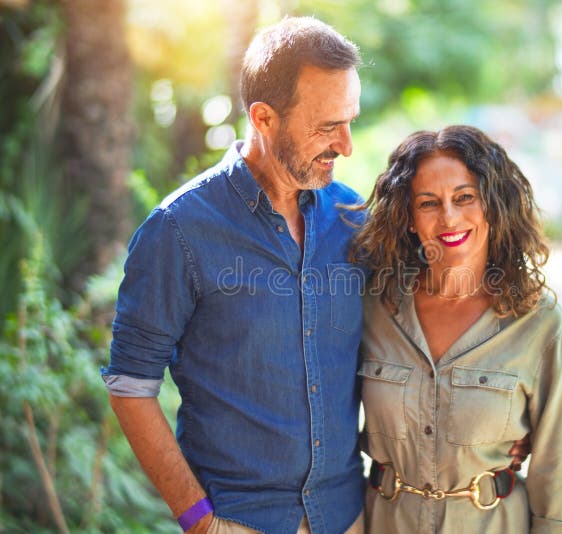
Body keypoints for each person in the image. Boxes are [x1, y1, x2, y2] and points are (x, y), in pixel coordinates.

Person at [101, 17, 367, 534]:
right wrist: (200, 521)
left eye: (351, 120)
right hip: (239, 521)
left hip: (347, 517)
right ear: (263, 118)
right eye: (326, 126)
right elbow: (131, 387)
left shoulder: (354, 219)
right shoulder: (178, 231)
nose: (347, 145)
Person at [351, 125, 562, 532]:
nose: (449, 218)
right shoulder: (373, 308)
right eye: (428, 203)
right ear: (408, 218)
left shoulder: (540, 324)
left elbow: (555, 474)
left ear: (492, 205)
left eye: (464, 197)